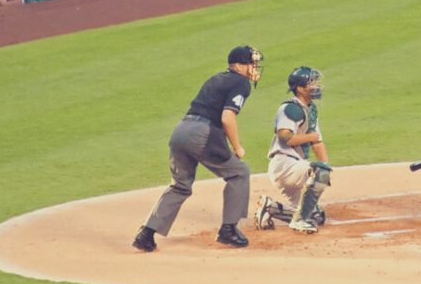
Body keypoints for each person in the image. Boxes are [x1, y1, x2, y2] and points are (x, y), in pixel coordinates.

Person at [132, 46, 263, 252]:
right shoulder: (241, 82)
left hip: (180, 131)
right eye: (250, 64)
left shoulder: (216, 78)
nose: (253, 68)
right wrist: (237, 147)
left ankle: (146, 234)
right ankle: (228, 231)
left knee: (180, 185)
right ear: (239, 65)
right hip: (201, 133)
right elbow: (227, 118)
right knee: (239, 172)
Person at [254, 66, 331, 234]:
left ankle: (270, 208)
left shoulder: (310, 110)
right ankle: (299, 221)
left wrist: (326, 167)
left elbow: (317, 141)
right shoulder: (290, 109)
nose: (317, 87)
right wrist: (320, 169)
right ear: (300, 89)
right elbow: (285, 137)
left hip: (296, 166)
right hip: (283, 165)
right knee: (320, 171)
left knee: (317, 216)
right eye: (312, 83)